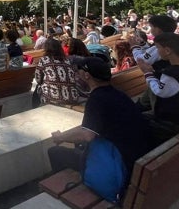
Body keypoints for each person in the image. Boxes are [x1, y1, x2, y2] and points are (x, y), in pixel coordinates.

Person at [48, 57, 152, 199]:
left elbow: (87, 135)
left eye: (78, 72)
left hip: (119, 166)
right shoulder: (118, 94)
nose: (77, 75)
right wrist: (67, 135)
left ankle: (65, 197)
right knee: (79, 148)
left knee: (55, 152)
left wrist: (61, 137)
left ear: (86, 75)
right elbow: (88, 128)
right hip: (135, 158)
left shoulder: (97, 99)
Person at [136, 33, 179, 142]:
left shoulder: (172, 73)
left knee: (135, 121)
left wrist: (147, 73)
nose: (157, 51)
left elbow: (159, 91)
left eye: (158, 47)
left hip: (178, 123)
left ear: (167, 51)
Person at [34, 39, 80, 106]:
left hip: (52, 98)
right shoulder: (67, 60)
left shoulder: (44, 60)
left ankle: (37, 108)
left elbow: (38, 79)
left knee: (37, 89)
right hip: (72, 97)